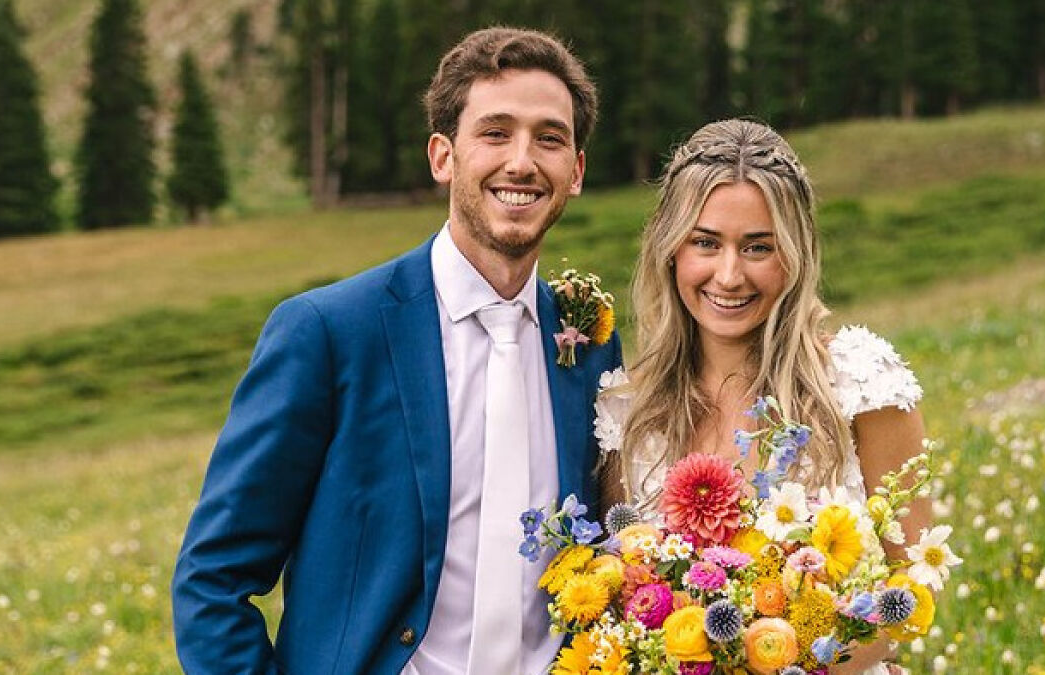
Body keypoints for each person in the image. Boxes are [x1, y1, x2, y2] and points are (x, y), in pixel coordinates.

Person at [172, 27, 621, 675]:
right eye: (495, 133)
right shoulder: (327, 331)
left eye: (549, 138)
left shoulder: (590, 344)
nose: (522, 161)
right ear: (443, 156)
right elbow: (211, 578)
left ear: (575, 170)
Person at [593, 119, 929, 674]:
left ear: (795, 254)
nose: (729, 275)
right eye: (706, 242)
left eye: (758, 247)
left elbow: (914, 583)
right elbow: (620, 593)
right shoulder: (629, 410)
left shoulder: (861, 382)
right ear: (670, 248)